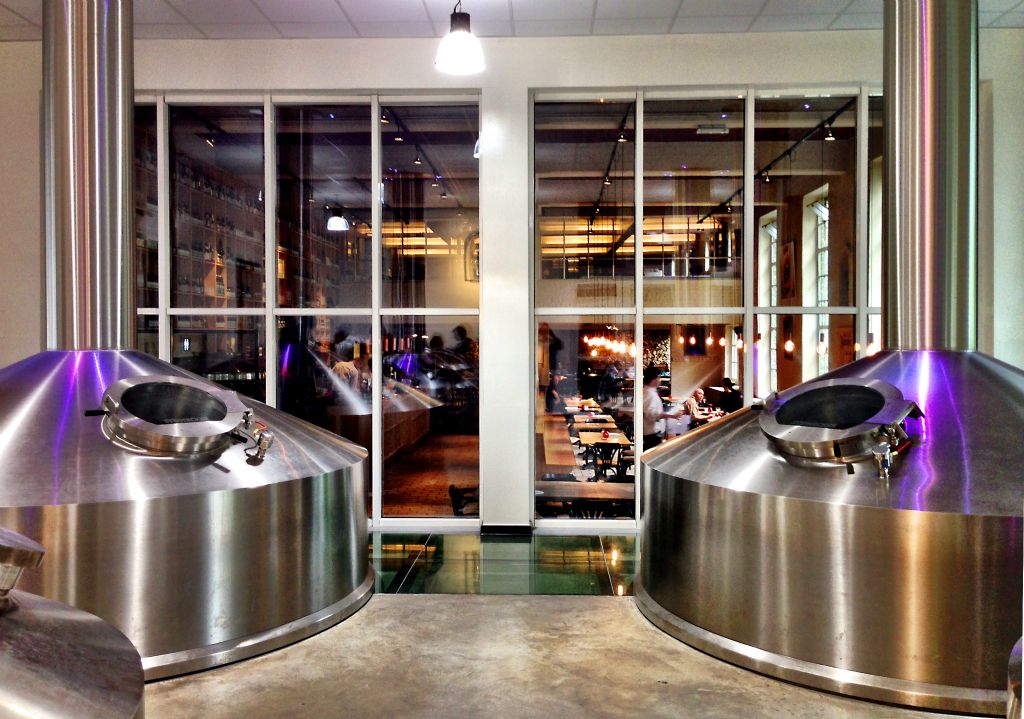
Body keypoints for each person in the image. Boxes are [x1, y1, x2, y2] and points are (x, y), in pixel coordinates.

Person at [642, 366, 682, 448]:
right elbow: (652, 415)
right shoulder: (649, 394)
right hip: (652, 433)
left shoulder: (647, 392)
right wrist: (671, 415)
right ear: (653, 379)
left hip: (650, 432)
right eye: (659, 377)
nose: (660, 380)